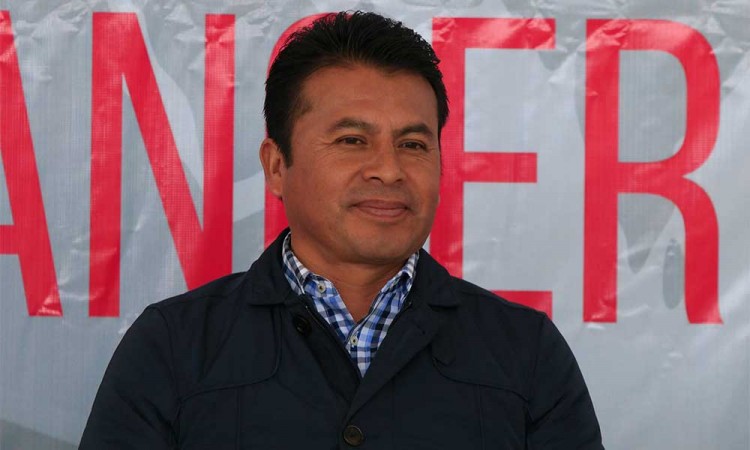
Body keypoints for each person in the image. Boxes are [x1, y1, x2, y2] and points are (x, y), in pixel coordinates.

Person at [80, 11, 603, 449]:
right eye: (353, 140)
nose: (389, 170)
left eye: (413, 145)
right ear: (277, 166)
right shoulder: (173, 346)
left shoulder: (526, 353)